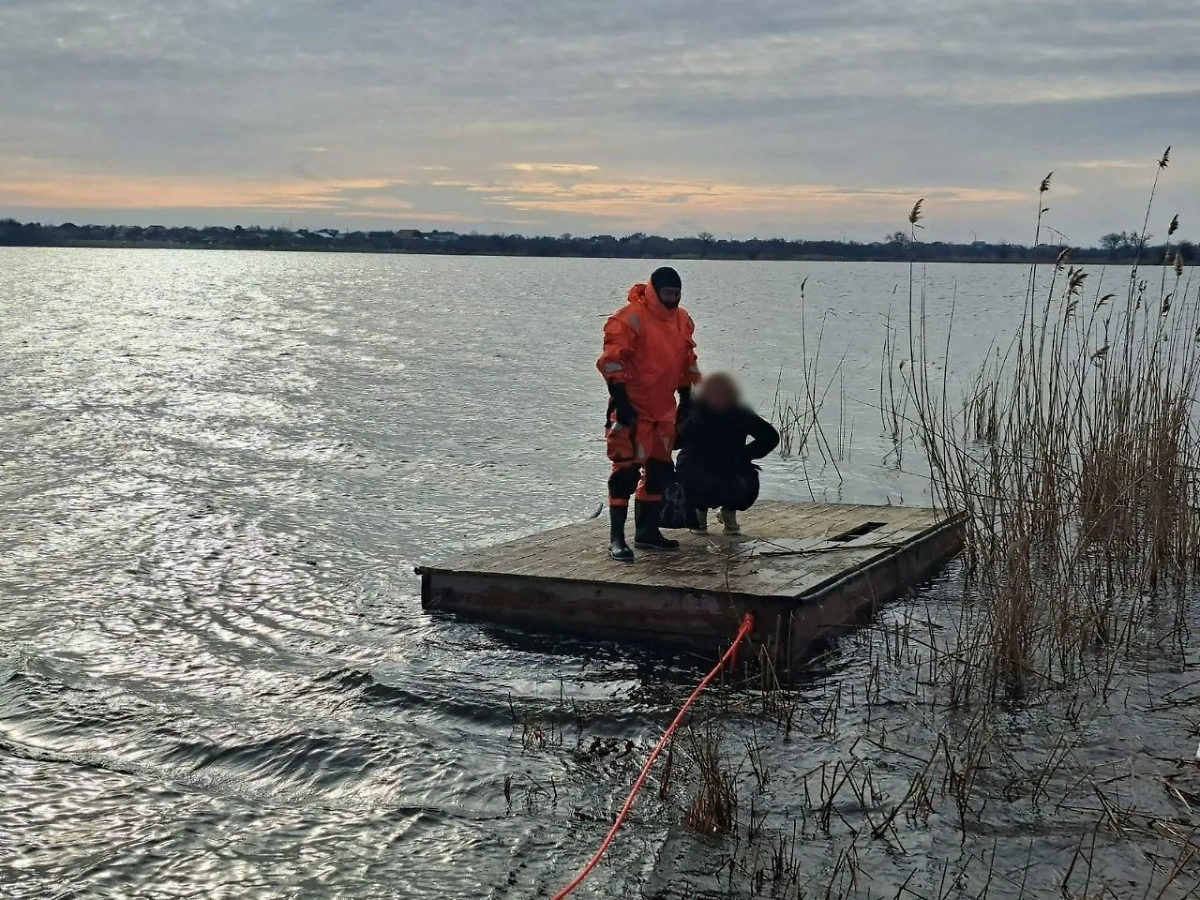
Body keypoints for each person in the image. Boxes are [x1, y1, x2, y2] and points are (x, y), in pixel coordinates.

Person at [597, 267, 701, 561]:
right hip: (633, 407)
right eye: (667, 293)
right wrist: (622, 401)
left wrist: (687, 398)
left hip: (664, 410)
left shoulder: (682, 320)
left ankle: (647, 531)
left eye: (677, 294)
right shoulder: (630, 318)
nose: (673, 299)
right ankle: (617, 539)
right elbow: (611, 362)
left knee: (659, 471)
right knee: (625, 472)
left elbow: (687, 360)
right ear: (655, 290)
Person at [675, 372, 779, 535]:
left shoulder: (739, 412)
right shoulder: (695, 411)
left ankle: (727, 512)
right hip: (699, 467)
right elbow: (675, 442)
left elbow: (770, 437)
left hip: (728, 468)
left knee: (738, 483)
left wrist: (745, 454)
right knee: (697, 477)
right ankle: (700, 514)